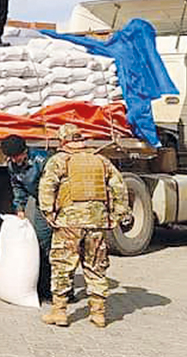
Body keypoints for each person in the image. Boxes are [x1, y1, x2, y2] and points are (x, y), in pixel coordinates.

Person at [38, 124, 132, 328]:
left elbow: (47, 187)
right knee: (95, 266)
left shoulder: (59, 161)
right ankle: (98, 314)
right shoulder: (101, 161)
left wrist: (48, 212)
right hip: (96, 223)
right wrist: (117, 214)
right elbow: (119, 187)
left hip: (69, 223)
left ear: (63, 141)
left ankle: (59, 312)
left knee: (63, 265)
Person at [1, 134, 52, 302]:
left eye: (17, 157)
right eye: (11, 158)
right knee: (42, 243)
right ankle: (44, 288)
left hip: (57, 203)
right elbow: (17, 186)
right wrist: (20, 208)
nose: (15, 161)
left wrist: (53, 211)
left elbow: (57, 185)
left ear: (25, 151)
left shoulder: (43, 161)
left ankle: (62, 290)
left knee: (61, 248)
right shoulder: (12, 165)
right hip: (41, 204)